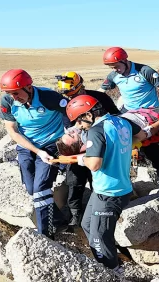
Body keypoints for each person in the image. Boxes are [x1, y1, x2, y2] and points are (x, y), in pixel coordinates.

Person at [65, 95, 147, 273]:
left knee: (99, 236)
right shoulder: (120, 121)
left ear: (88, 114)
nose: (79, 126)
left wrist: (80, 158)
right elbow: (141, 135)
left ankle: (113, 270)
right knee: (87, 224)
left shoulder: (96, 130)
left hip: (110, 193)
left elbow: (94, 164)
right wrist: (117, 148)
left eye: (79, 121)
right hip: (110, 188)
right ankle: (109, 256)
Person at [0, 69, 69, 238]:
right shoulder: (8, 101)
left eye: (16, 93)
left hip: (51, 144)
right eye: (10, 94)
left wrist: (69, 137)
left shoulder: (48, 97)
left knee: (40, 188)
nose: (14, 97)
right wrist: (37, 151)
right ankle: (59, 222)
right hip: (27, 146)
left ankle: (45, 236)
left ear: (29, 87)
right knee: (31, 188)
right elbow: (13, 132)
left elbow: (70, 114)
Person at [54, 71, 120, 229]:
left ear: (81, 88)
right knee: (74, 182)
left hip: (100, 146)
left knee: (98, 180)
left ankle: (106, 212)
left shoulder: (99, 98)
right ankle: (75, 215)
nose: (70, 98)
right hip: (77, 149)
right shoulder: (65, 104)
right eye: (68, 95)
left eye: (73, 94)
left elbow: (116, 115)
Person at [100, 46, 159, 184]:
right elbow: (101, 92)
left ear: (125, 60)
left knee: (150, 144)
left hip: (150, 111)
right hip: (128, 111)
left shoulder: (144, 71)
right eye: (112, 67)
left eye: (116, 66)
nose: (115, 69)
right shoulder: (114, 75)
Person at [56, 71, 121, 115]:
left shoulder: (100, 97)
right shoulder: (63, 103)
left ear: (80, 88)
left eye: (74, 95)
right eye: (68, 96)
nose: (72, 98)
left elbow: (115, 114)